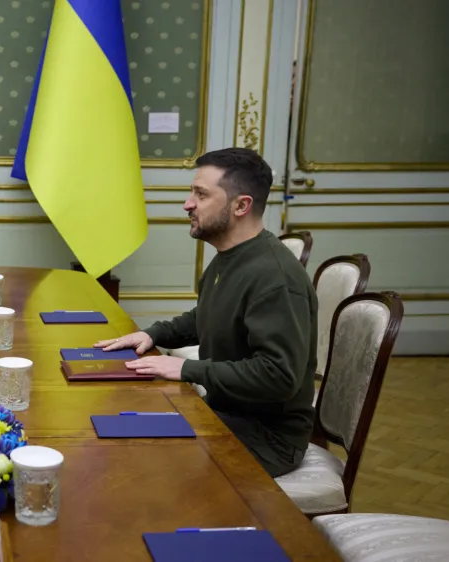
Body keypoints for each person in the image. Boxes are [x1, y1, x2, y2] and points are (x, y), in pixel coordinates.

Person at [95, 147, 317, 478]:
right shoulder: (230, 257)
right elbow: (209, 316)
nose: (188, 203)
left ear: (241, 205)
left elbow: (278, 376)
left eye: (201, 194)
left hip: (266, 439)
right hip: (225, 416)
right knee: (120, 426)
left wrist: (187, 368)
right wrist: (153, 334)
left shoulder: (275, 277)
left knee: (134, 462)